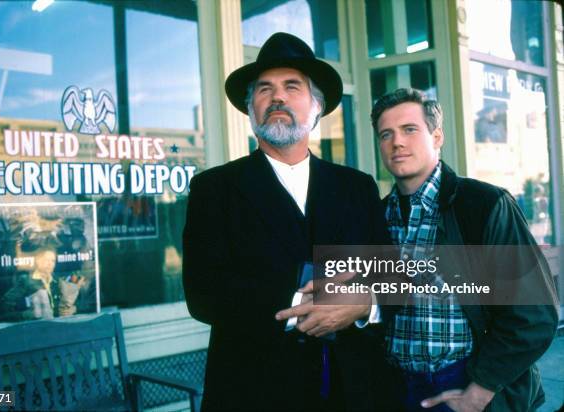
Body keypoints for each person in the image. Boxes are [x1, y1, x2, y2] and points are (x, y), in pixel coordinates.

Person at [182, 32, 391, 411]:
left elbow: (387, 273)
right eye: (264, 89)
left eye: (291, 86)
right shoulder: (215, 189)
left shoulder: (357, 187)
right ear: (251, 110)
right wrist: (301, 301)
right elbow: (203, 293)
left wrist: (364, 305)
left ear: (317, 107)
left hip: (353, 392)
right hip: (254, 392)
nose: (276, 97)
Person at [370, 88, 557, 411]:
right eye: (386, 134)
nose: (396, 142)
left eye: (409, 129)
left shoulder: (484, 205)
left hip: (466, 382)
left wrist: (480, 390)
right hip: (397, 387)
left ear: (437, 136)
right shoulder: (377, 216)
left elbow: (535, 314)